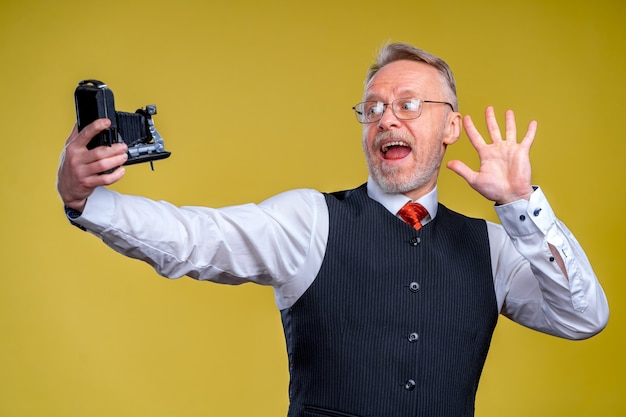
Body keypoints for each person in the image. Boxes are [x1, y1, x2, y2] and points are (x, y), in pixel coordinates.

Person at [57, 42, 609, 417]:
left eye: (410, 105)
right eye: (372, 109)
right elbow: (196, 238)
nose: (387, 119)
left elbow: (584, 317)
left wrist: (521, 206)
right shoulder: (309, 222)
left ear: (452, 127)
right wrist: (88, 201)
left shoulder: (493, 247)